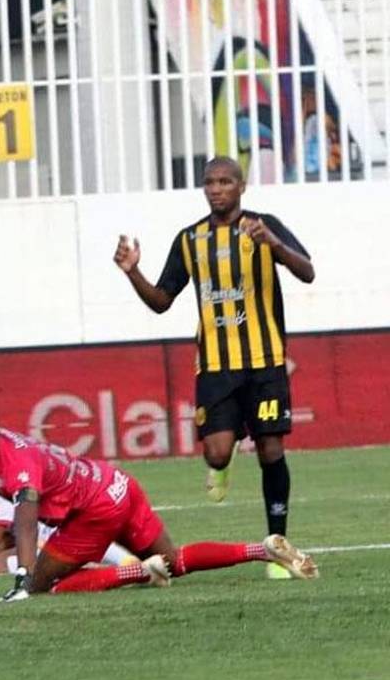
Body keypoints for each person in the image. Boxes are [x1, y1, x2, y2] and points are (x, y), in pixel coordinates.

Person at [113, 156, 315, 579]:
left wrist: (273, 245)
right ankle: (222, 464)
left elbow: (307, 271)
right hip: (216, 367)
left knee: (271, 449)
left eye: (225, 181)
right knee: (216, 452)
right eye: (210, 182)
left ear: (241, 187)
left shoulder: (264, 225)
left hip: (265, 362)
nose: (216, 189)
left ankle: (278, 545)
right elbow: (162, 301)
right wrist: (133, 273)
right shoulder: (190, 239)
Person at [0, 406, 318, 603]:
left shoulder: (18, 463)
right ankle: (263, 550)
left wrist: (23, 578)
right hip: (119, 485)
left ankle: (138, 572)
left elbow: (25, 523)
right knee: (175, 562)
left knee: (44, 585)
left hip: (93, 511)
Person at [0, 487, 136, 577]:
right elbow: (6, 537)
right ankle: (123, 563)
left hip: (62, 537)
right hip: (81, 526)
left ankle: (102, 569)